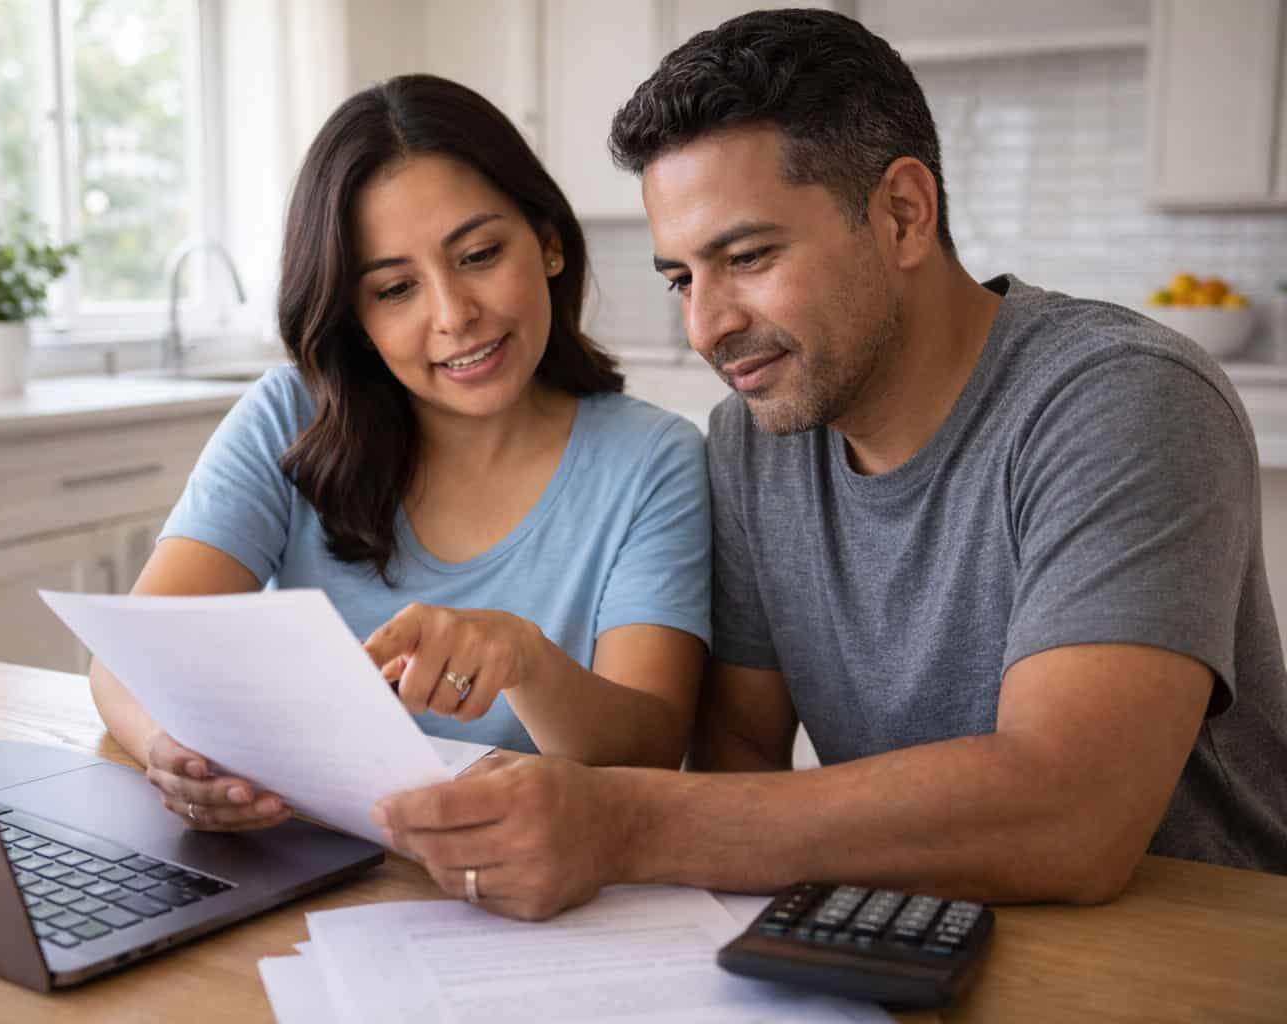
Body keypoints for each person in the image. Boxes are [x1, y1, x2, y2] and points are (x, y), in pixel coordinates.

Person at [372, 9, 1287, 921]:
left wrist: (623, 822)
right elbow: (738, 762)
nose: (706, 326)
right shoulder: (754, 442)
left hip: (1181, 953)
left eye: (748, 256)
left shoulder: (1122, 398)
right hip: (906, 935)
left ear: (902, 214)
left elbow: (1073, 814)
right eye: (681, 278)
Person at [90, 75, 711, 833]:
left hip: (510, 877)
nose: (453, 315)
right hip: (305, 856)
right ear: (354, 315)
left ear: (549, 243)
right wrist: (171, 751)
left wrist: (525, 660)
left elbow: (650, 752)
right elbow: (128, 659)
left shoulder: (654, 460)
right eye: (394, 289)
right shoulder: (289, 419)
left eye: (479, 254)